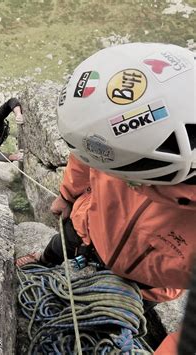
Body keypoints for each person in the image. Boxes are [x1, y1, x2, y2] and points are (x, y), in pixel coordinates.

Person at [16, 42, 196, 305]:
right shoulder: (121, 141)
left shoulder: (137, 144)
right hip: (90, 225)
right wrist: (67, 195)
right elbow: (87, 155)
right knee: (61, 243)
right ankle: (44, 261)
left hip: (144, 281)